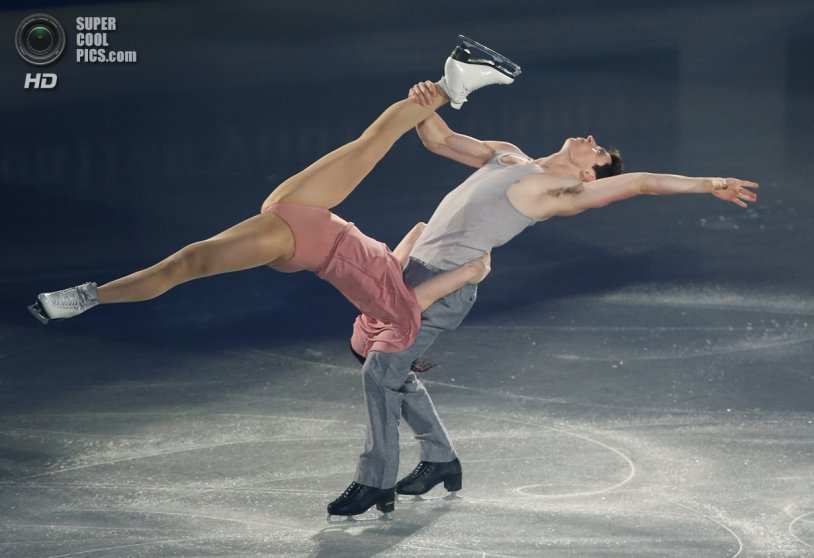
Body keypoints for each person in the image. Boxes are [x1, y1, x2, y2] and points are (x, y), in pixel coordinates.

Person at [327, 80, 759, 518]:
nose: (591, 141)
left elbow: (643, 183)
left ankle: (374, 481)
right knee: (386, 370)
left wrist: (711, 183)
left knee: (380, 371)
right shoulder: (509, 154)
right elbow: (439, 139)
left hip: (446, 287)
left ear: (590, 176)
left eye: (598, 152)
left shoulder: (559, 193)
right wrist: (429, 92)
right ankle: (440, 459)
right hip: (411, 273)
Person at [27, 38, 521, 361]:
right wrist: (443, 258)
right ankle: (454, 78)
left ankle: (88, 296)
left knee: (188, 263)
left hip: (302, 241)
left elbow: (426, 298)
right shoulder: (393, 294)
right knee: (374, 139)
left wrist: (469, 272)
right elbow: (417, 230)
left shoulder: (402, 316)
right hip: (309, 216)